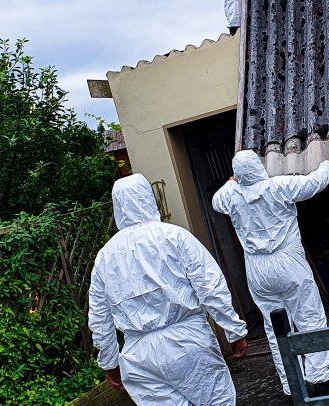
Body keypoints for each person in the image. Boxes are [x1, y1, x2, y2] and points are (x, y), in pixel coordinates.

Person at [88, 173, 249, 405]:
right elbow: (210, 286)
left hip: (139, 355)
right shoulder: (175, 236)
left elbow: (100, 317)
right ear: (148, 198)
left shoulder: (105, 256)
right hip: (188, 343)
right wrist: (233, 330)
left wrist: (110, 363)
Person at [212, 150, 329, 398]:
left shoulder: (230, 195)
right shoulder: (279, 186)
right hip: (288, 261)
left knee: (276, 329)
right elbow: (313, 183)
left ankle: (291, 384)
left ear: (238, 174)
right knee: (309, 318)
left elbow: (216, 200)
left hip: (257, 269)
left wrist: (231, 181)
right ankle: (320, 378)